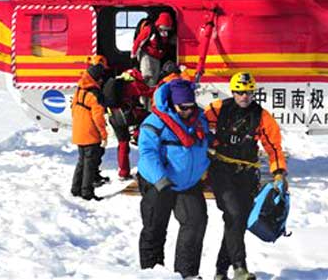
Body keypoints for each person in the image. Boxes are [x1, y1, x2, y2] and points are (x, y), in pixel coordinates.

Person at [204, 72, 288, 280]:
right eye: (240, 92)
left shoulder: (261, 116)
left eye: (248, 93)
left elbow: (273, 146)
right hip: (221, 171)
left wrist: (278, 173)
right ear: (233, 92)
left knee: (239, 220)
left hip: (247, 174)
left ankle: (221, 270)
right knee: (234, 214)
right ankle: (239, 267)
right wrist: (209, 140)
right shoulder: (218, 108)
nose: (244, 97)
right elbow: (198, 124)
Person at [137, 79, 210, 280]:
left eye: (190, 106)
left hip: (188, 184)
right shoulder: (155, 122)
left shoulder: (199, 118)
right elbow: (148, 152)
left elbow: (204, 143)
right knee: (155, 229)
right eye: (182, 107)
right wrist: (161, 180)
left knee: (195, 223)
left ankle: (187, 273)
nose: (187, 110)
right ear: (172, 103)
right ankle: (152, 274)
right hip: (159, 183)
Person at [70, 57, 109, 201]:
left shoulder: (79, 90)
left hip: (79, 132)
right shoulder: (95, 95)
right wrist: (104, 135)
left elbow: (73, 109)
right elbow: (98, 118)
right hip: (90, 134)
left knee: (81, 162)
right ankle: (87, 193)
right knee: (90, 165)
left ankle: (75, 189)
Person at [104, 68, 153, 179]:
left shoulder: (116, 84)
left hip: (114, 117)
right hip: (126, 117)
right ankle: (137, 135)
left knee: (123, 143)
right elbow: (149, 92)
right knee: (148, 117)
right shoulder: (133, 85)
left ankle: (123, 172)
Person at [131, 12, 175, 87]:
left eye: (167, 28)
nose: (165, 30)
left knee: (155, 78)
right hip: (147, 56)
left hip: (157, 58)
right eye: (164, 27)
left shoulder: (166, 33)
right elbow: (138, 41)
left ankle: (151, 94)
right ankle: (145, 95)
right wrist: (133, 55)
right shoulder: (149, 29)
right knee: (148, 77)